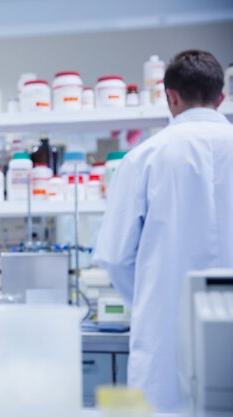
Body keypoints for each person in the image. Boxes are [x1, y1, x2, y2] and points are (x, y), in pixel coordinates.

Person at [93, 49, 233, 412]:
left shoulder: (145, 158)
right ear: (221, 97)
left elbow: (114, 257)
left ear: (170, 95)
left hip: (165, 342)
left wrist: (155, 302)